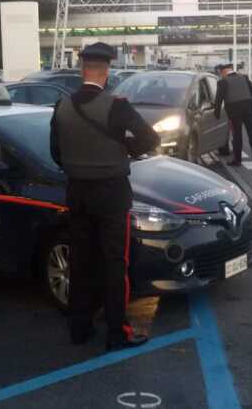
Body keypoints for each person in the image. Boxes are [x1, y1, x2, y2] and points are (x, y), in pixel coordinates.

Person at [49, 42, 160, 351]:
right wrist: (125, 149)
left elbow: (55, 153)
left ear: (82, 69)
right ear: (106, 71)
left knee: (81, 262)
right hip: (111, 194)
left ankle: (79, 329)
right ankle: (116, 332)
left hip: (77, 192)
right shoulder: (117, 106)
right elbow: (151, 138)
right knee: (114, 264)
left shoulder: (62, 106)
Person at [214, 63, 252, 167]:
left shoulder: (223, 82)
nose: (221, 75)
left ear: (224, 72)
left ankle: (237, 160)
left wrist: (216, 115)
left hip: (234, 111)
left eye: (221, 73)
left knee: (237, 136)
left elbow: (218, 99)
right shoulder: (244, 78)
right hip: (249, 109)